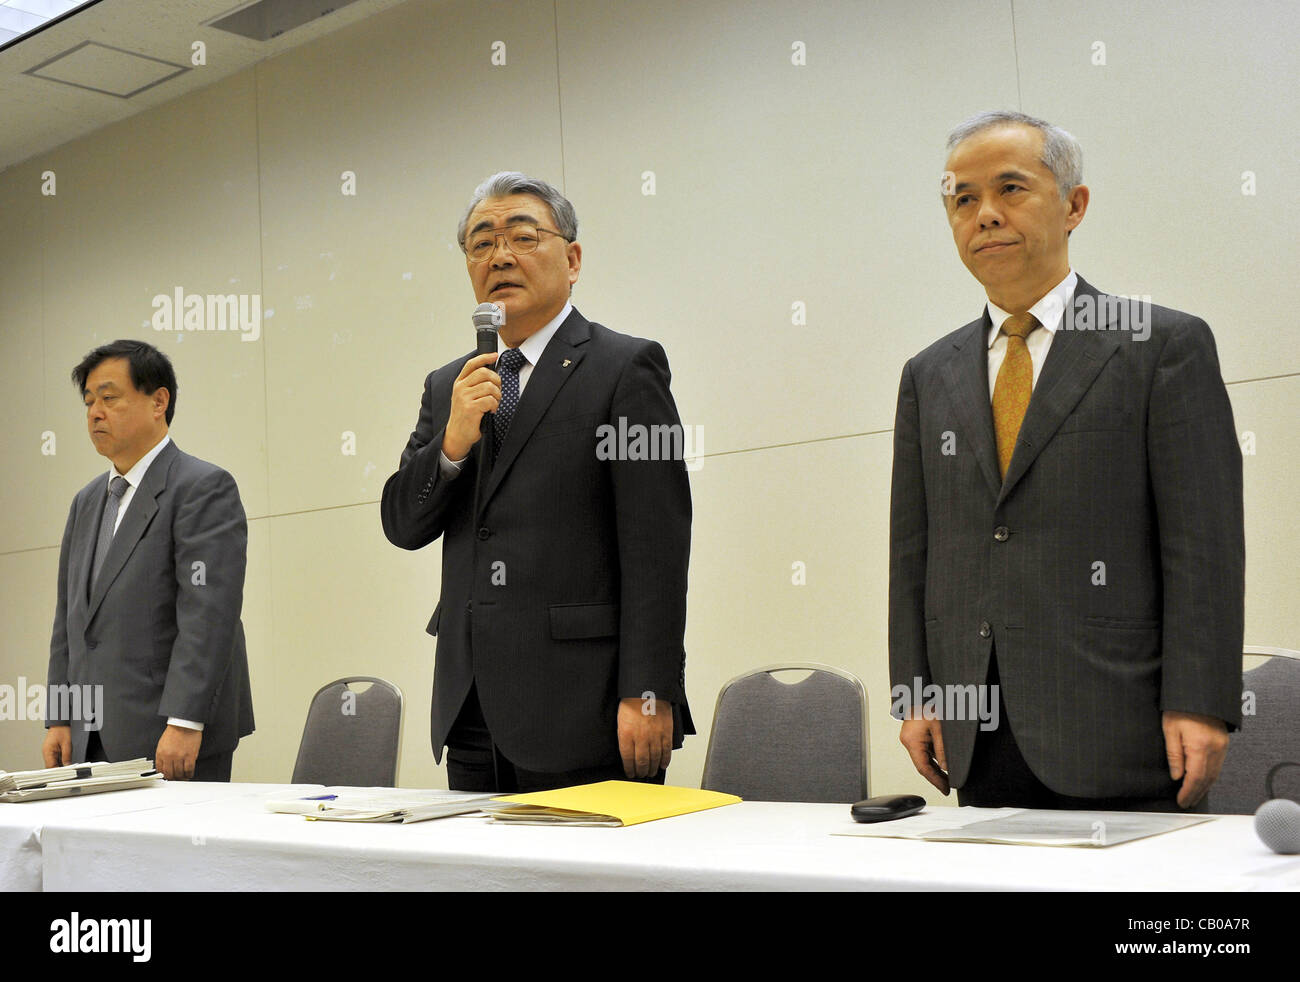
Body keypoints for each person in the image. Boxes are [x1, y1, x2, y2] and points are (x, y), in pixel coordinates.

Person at [889, 111, 1244, 811]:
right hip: (977, 729)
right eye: (963, 200)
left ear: (1074, 205)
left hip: (1124, 727)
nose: (984, 215)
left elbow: (1203, 545)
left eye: (1011, 189)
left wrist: (1201, 702)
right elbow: (913, 550)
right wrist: (915, 692)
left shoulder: (1159, 345)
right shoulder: (929, 374)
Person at [381, 172, 693, 792]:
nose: (500, 255)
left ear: (572, 260)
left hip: (588, 704)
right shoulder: (451, 385)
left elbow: (657, 546)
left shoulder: (623, 366)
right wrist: (451, 444)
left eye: (523, 238)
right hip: (470, 705)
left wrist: (649, 690)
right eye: (481, 244)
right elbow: (403, 523)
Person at [44, 340, 255, 781]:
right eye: (88, 402)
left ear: (159, 401)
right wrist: (60, 716)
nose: (94, 413)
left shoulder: (201, 487)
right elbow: (70, 622)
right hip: (89, 737)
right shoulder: (86, 502)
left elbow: (208, 615)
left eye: (108, 397)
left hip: (168, 736)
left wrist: (184, 720)